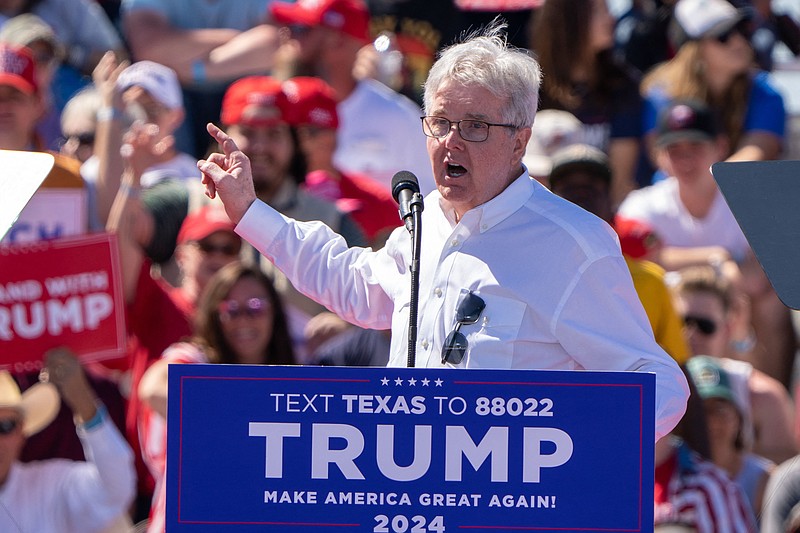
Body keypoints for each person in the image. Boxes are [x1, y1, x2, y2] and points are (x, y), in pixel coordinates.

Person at [198, 22, 689, 441]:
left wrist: (560, 448)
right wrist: (249, 210)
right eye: (439, 122)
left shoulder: (574, 245)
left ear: (520, 140)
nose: (450, 142)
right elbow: (355, 286)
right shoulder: (425, 219)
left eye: (475, 126)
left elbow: (659, 386)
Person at [618, 99, 797, 388]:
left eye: (696, 147)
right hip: (673, 305)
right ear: (659, 156)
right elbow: (636, 261)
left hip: (736, 309)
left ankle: (770, 397)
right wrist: (718, 257)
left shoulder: (748, 199)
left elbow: (761, 276)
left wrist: (713, 273)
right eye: (674, 150)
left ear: (721, 147)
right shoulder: (642, 204)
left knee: (771, 304)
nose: (686, 159)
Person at [138, 261, 296, 532]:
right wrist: (238, 422)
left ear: (275, 314)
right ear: (214, 314)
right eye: (231, 309)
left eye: (256, 307)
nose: (244, 319)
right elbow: (153, 387)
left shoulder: (293, 380)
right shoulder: (195, 363)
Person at [268, 0, 434, 194]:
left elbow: (429, 196)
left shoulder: (400, 118)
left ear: (337, 41)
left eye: (300, 29)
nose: (287, 37)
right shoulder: (271, 108)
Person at [546, 143, 690, 365]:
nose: (580, 197)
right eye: (569, 188)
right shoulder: (527, 275)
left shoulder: (650, 281)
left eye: (592, 187)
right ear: (550, 201)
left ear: (611, 201)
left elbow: (676, 368)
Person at [669, 265, 797, 465]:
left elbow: (787, 471)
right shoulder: (656, 389)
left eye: (705, 325)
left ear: (728, 329)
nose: (690, 334)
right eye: (682, 323)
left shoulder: (763, 396)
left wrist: (730, 452)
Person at [0, 348, 136, 532]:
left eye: (5, 426)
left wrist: (82, 398)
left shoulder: (49, 486)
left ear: (21, 432)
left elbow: (114, 489)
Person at [640, 0, 786, 166]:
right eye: (722, 36)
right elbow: (666, 162)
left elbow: (757, 152)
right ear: (693, 50)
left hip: (733, 189)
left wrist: (711, 188)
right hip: (676, 188)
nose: (738, 42)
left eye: (741, 29)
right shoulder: (661, 94)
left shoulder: (764, 92)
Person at [530, 0, 644, 204]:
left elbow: (619, 182)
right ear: (568, 20)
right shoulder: (529, 83)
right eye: (599, 11)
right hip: (538, 209)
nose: (611, 18)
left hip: (598, 212)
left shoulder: (622, 84)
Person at [282, 75, 400, 247]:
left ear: (332, 137)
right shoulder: (253, 197)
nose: (290, 142)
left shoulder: (375, 205)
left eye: (304, 132)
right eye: (278, 132)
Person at [686, 355, 774, 519]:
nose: (711, 423)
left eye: (719, 410)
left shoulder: (765, 480)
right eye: (701, 411)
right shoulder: (676, 479)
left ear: (738, 417)